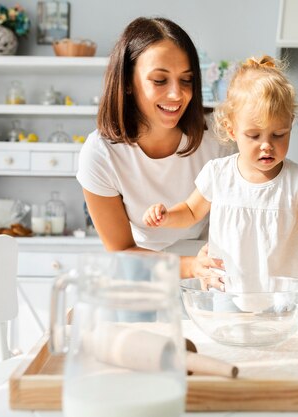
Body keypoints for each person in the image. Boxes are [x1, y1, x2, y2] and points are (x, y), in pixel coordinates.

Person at [143, 55, 298, 291]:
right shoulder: (218, 174)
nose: (267, 145)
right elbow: (191, 211)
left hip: (281, 300)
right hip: (226, 294)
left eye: (279, 134)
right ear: (231, 130)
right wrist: (167, 216)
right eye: (254, 136)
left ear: (290, 124)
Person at [76, 17, 234, 281]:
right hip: (143, 268)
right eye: (160, 80)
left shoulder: (219, 135)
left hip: (213, 263)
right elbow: (122, 250)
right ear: (127, 82)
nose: (176, 94)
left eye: (186, 80)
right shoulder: (100, 154)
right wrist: (189, 267)